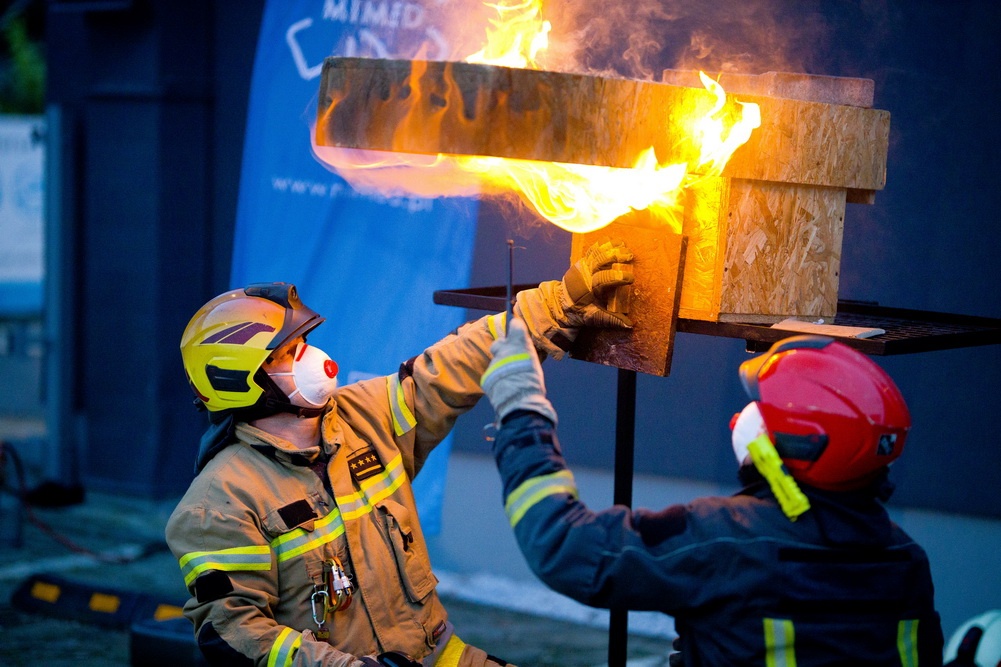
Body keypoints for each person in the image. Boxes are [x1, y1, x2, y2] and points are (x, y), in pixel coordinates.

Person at [164, 241, 634, 667]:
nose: (312, 357)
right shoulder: (218, 505)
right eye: (287, 353)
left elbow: (447, 369)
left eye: (302, 341)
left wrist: (555, 304)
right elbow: (236, 634)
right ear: (238, 379)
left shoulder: (365, 416)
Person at [479, 321, 945, 666]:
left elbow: (565, 547)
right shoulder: (906, 560)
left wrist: (522, 411)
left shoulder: (728, 541)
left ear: (791, 440)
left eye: (761, 408)